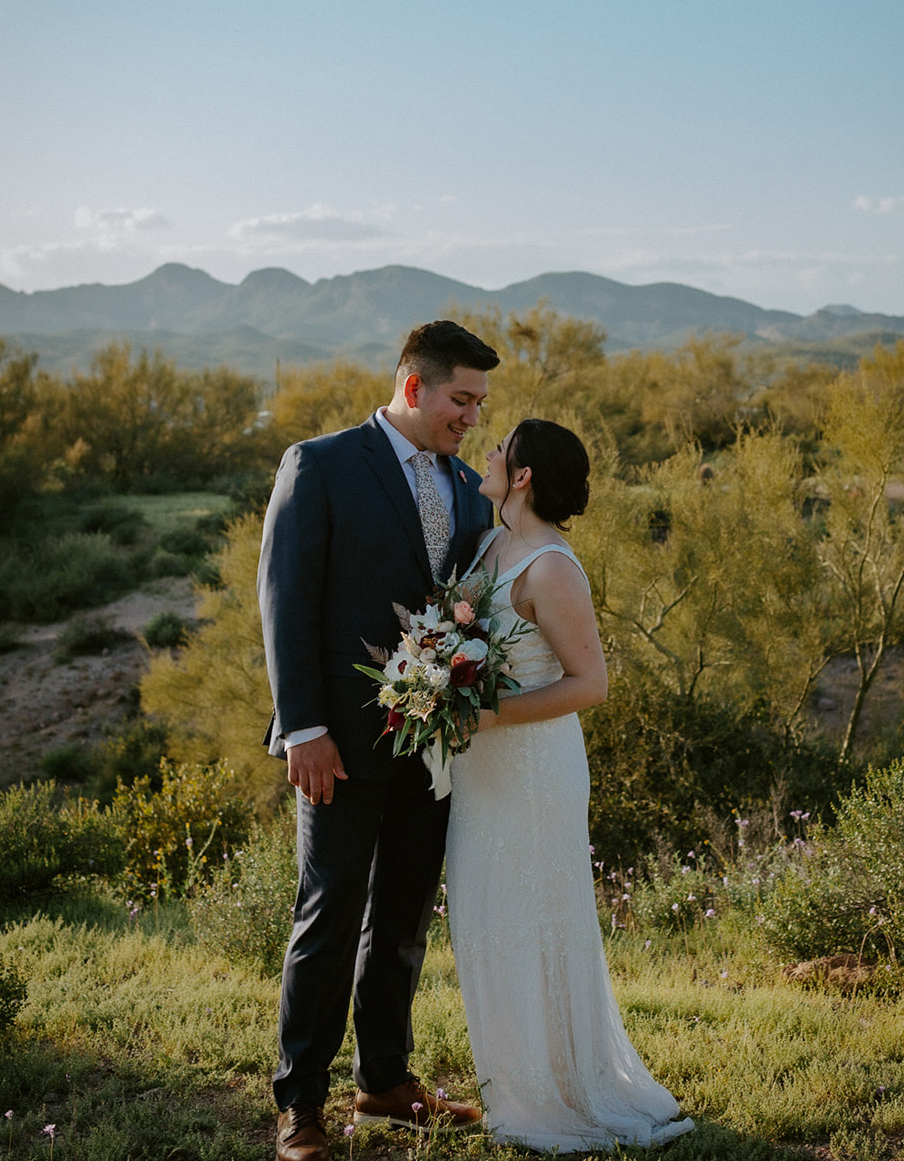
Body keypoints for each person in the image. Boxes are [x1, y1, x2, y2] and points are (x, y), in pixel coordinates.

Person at [258, 320, 500, 1161]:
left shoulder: (470, 488)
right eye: (460, 399)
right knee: (329, 917)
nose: (471, 416)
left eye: (479, 402)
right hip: (336, 746)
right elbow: (286, 601)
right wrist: (305, 729)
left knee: (400, 916)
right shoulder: (320, 464)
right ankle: (300, 1106)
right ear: (413, 388)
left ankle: (386, 1082)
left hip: (431, 748)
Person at [445, 418, 695, 1152]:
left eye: (500, 449)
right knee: (486, 922)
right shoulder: (492, 542)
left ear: (522, 477)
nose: (487, 455)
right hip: (480, 769)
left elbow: (591, 684)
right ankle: (517, 1082)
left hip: (531, 769)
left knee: (533, 923)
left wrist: (487, 714)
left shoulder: (552, 568)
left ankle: (555, 1093)